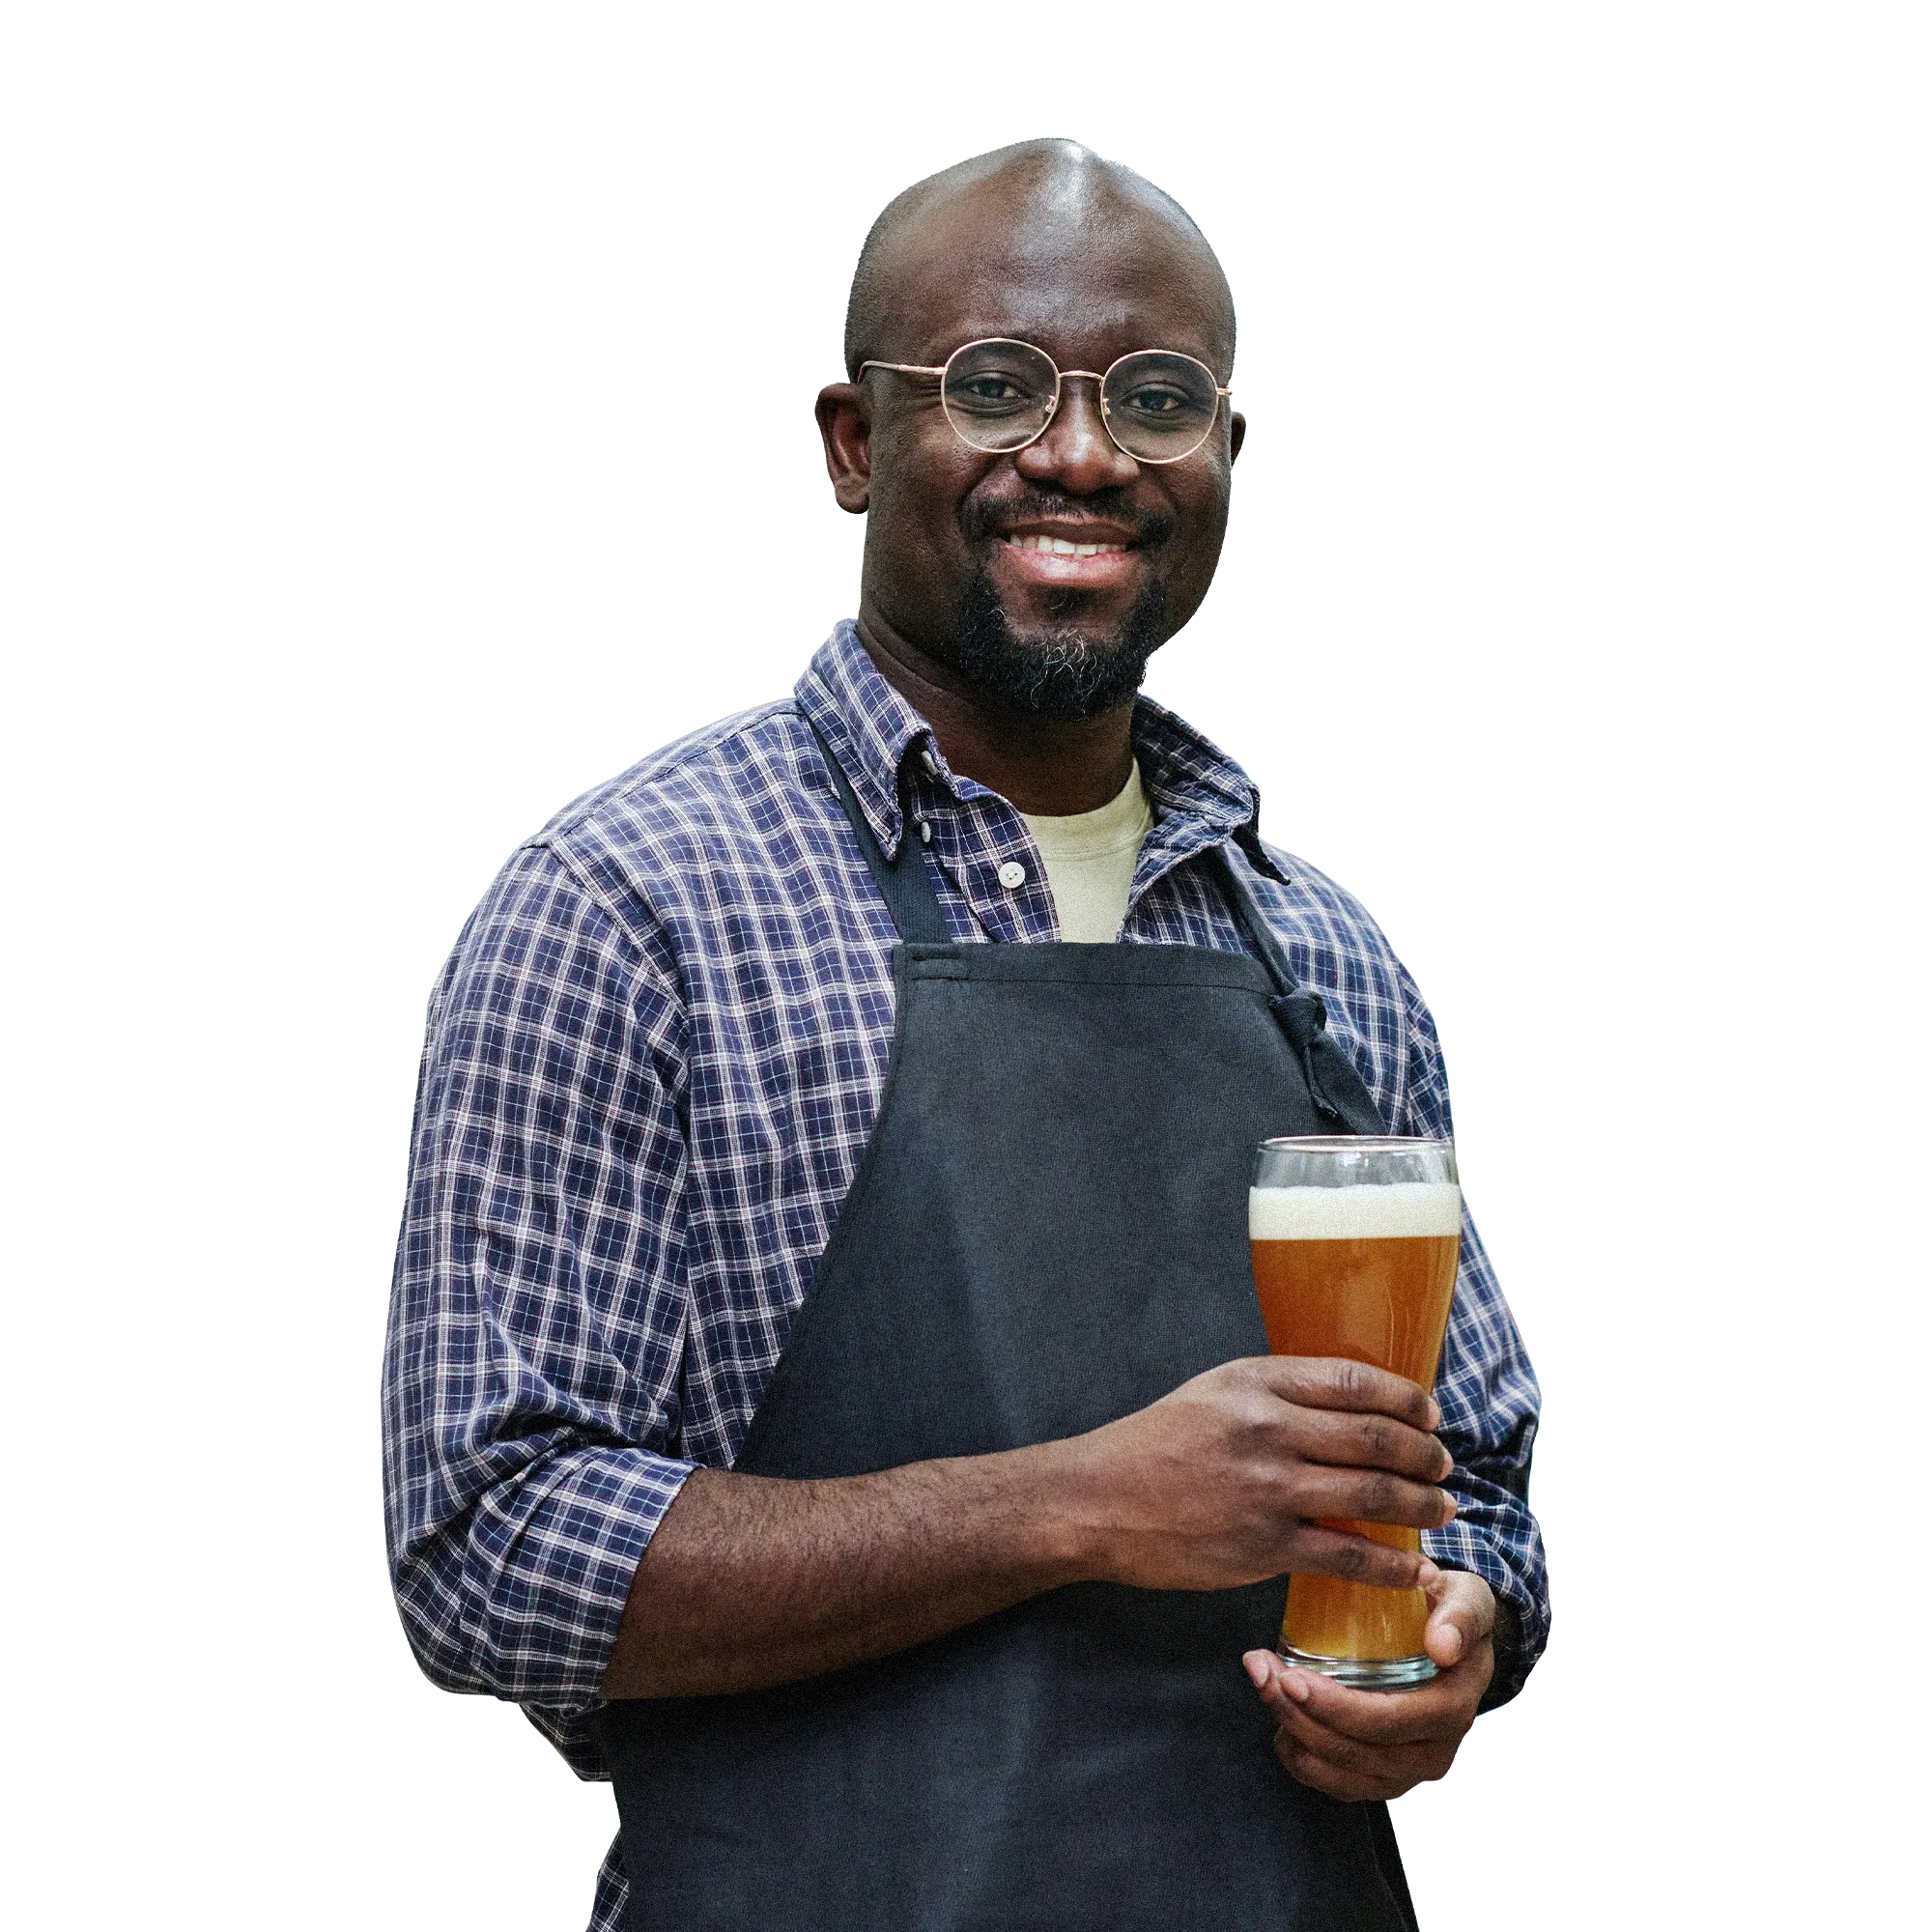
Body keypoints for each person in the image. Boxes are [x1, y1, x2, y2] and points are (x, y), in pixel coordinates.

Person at [381, 137, 1548, 1932]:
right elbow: (487, 1556)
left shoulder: (1328, 954)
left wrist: (1458, 1622)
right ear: (853, 444)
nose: (1082, 453)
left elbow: (1471, 1477)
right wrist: (1073, 1505)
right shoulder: (629, 909)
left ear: (1228, 459)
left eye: (1155, 399)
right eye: (998, 387)